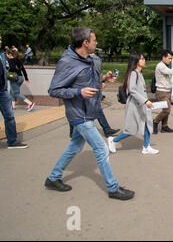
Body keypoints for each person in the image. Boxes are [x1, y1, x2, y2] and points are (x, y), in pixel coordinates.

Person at [45, 27, 134, 201]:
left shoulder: (88, 60)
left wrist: (103, 79)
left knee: (75, 147)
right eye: (94, 40)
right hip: (79, 114)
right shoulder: (67, 61)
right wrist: (79, 92)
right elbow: (54, 90)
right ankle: (113, 188)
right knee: (101, 149)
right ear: (85, 43)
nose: (96, 42)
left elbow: (85, 80)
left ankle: (53, 178)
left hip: (88, 111)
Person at [108, 52, 159, 155]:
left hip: (142, 105)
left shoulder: (139, 73)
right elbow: (132, 90)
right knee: (131, 130)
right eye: (142, 59)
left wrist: (145, 102)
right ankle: (113, 140)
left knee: (147, 124)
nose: (144, 60)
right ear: (136, 61)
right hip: (134, 106)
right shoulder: (133, 73)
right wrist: (145, 101)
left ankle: (146, 146)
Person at [68, 51, 120, 138]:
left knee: (97, 109)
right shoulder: (75, 59)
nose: (96, 44)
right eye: (94, 41)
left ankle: (106, 129)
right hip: (80, 91)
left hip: (89, 90)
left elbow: (95, 76)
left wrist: (103, 79)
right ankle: (73, 131)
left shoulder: (93, 59)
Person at [0, 36, 28, 149]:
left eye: (1, 39)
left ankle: (12, 141)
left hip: (2, 91)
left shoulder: (2, 54)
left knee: (9, 115)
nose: (0, 41)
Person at [153, 50, 173, 134]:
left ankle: (164, 126)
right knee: (167, 110)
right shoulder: (160, 66)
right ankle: (155, 122)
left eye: (171, 59)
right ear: (163, 57)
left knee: (166, 109)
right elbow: (172, 72)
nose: (170, 60)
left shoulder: (164, 65)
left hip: (167, 91)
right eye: (169, 58)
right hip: (162, 92)